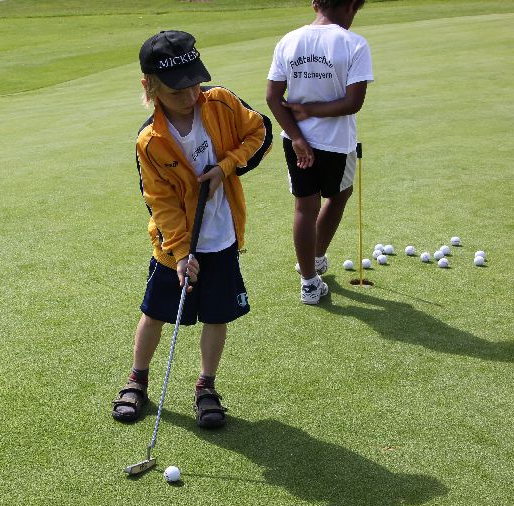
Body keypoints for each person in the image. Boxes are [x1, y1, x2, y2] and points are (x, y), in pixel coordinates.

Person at [111, 30, 272, 428]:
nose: (189, 95)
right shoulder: (150, 141)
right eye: (176, 89)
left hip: (222, 238)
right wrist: (182, 254)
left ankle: (206, 386)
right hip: (174, 247)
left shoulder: (221, 103)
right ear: (150, 88)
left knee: (217, 316)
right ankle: (137, 379)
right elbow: (160, 202)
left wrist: (226, 166)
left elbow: (260, 132)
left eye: (194, 82)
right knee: (154, 313)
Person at [266, 0, 374, 304]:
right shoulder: (355, 43)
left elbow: (273, 97)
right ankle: (315, 257)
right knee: (339, 194)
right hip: (336, 142)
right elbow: (353, 103)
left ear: (315, 3)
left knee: (305, 206)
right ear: (351, 6)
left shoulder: (289, 40)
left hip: (295, 140)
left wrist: (298, 137)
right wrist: (311, 110)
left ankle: (309, 281)